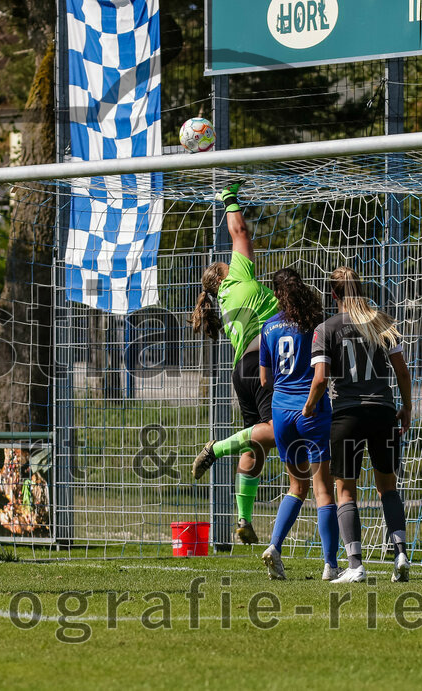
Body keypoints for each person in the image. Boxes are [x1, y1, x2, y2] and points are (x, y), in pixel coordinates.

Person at [303, 267, 413, 584]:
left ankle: (355, 565)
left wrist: (309, 407)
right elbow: (402, 372)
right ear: (361, 289)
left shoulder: (326, 329)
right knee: (388, 487)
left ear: (333, 294)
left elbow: (321, 378)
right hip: (383, 412)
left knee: (346, 491)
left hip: (348, 416)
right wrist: (406, 406)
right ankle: (401, 555)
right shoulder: (383, 322)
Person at [190, 182, 280, 544]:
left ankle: (243, 519)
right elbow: (239, 230)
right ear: (226, 273)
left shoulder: (222, 298)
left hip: (241, 368)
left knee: (255, 445)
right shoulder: (239, 277)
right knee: (276, 430)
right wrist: (230, 197)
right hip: (262, 363)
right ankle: (216, 448)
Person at [257, 268, 340, 580]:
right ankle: (331, 565)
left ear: (278, 295)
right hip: (312, 411)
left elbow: (265, 379)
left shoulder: (268, 328)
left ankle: (275, 547)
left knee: (296, 486)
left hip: (281, 413)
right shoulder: (315, 324)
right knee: (323, 489)